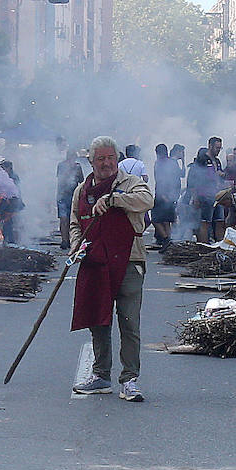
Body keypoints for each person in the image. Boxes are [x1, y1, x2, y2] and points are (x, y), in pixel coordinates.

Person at [70, 136, 153, 402]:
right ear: (91, 161)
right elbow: (75, 223)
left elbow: (146, 200)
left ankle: (129, 379)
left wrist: (115, 199)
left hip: (129, 260)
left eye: (110, 158)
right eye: (100, 159)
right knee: (98, 321)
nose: (106, 164)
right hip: (95, 263)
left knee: (129, 322)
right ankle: (101, 376)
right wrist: (76, 246)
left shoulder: (130, 183)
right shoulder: (82, 190)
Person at [185, 148, 219, 243]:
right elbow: (192, 185)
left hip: (209, 197)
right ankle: (203, 244)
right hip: (202, 197)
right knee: (202, 223)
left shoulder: (208, 166)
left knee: (203, 223)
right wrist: (195, 198)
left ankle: (203, 243)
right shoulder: (197, 168)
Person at [150, 144, 179, 249]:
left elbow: (160, 180)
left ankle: (166, 239)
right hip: (172, 195)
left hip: (161, 195)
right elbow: (177, 179)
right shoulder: (173, 162)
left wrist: (162, 195)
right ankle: (168, 242)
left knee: (155, 219)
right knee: (166, 220)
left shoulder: (159, 163)